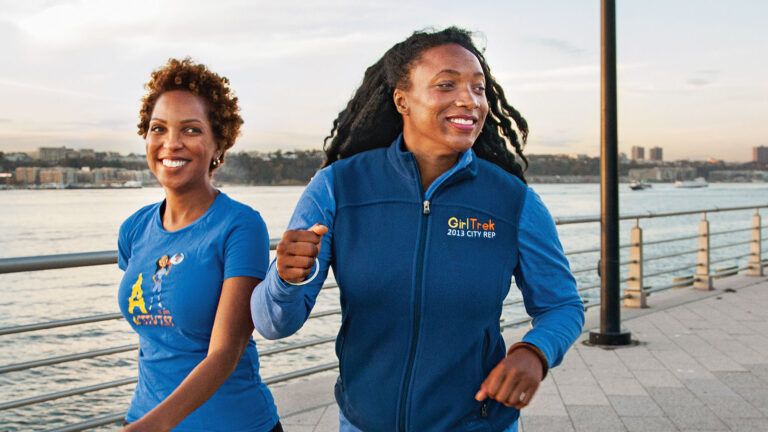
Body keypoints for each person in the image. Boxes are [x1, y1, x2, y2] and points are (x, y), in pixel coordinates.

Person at [251, 27, 584, 432]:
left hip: (476, 423)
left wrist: (535, 352)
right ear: (402, 99)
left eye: (479, 89)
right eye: (447, 85)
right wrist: (284, 279)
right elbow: (273, 324)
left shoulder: (513, 200)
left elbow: (562, 305)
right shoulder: (339, 186)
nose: (469, 100)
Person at [117, 58, 281, 431]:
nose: (171, 143)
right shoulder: (134, 229)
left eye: (191, 130)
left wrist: (151, 427)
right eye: (158, 128)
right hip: (145, 416)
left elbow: (226, 351)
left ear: (217, 143)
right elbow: (155, 340)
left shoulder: (240, 226)